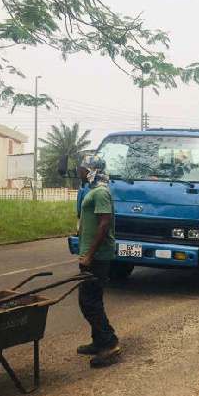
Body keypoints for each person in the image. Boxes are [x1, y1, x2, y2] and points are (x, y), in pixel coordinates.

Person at [76, 155, 121, 367]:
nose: (80, 171)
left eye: (83, 168)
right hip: (91, 254)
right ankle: (98, 341)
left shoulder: (101, 192)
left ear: (92, 170)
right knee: (94, 299)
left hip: (97, 256)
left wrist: (89, 255)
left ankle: (110, 343)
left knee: (88, 302)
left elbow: (104, 224)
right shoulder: (94, 190)